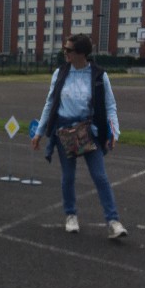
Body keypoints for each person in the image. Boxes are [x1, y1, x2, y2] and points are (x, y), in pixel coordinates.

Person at [31, 34, 128, 239]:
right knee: (68, 177)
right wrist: (39, 132)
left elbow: (110, 106)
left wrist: (114, 132)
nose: (64, 53)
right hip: (64, 132)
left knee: (100, 176)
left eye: (68, 50)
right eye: (64, 49)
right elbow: (50, 103)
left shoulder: (99, 76)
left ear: (81, 53)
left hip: (89, 132)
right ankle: (70, 215)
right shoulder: (60, 73)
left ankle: (113, 221)